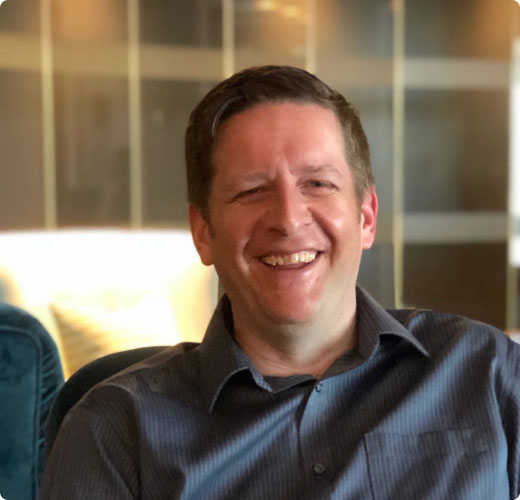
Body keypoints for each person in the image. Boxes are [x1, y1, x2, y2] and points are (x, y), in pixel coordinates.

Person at [39, 66, 520, 500]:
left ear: (366, 217)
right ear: (203, 233)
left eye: (318, 184)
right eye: (252, 191)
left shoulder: (488, 371)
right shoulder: (113, 431)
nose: (288, 220)